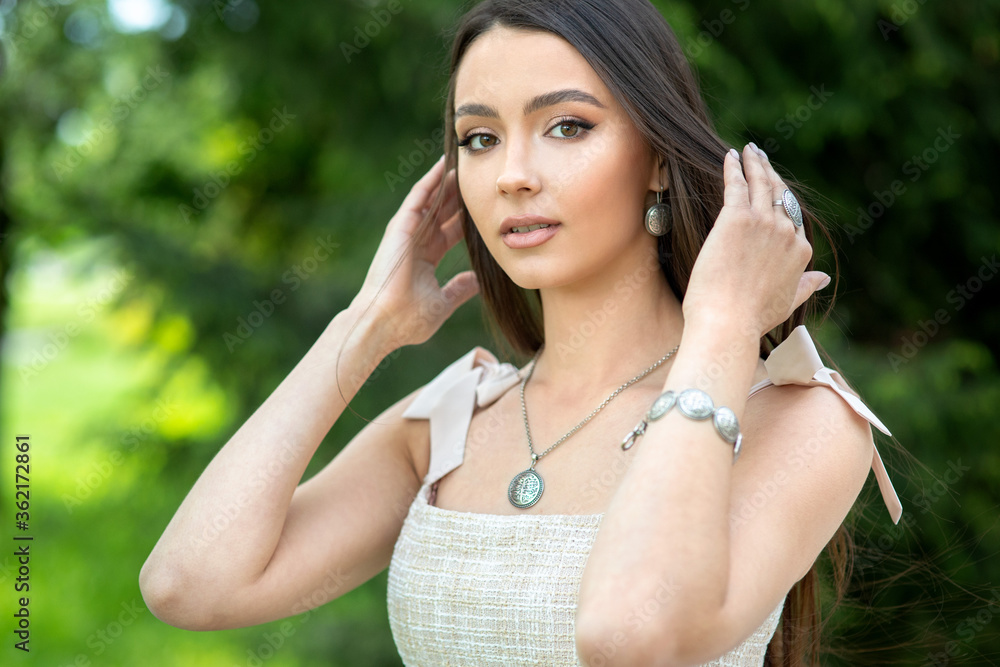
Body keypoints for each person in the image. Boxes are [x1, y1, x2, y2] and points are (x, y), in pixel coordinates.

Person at [139, 1, 904, 665]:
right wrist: (364, 328)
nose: (512, 173)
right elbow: (190, 583)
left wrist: (726, 326)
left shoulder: (803, 419)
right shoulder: (450, 423)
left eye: (567, 126)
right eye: (479, 138)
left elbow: (627, 633)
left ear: (660, 162)